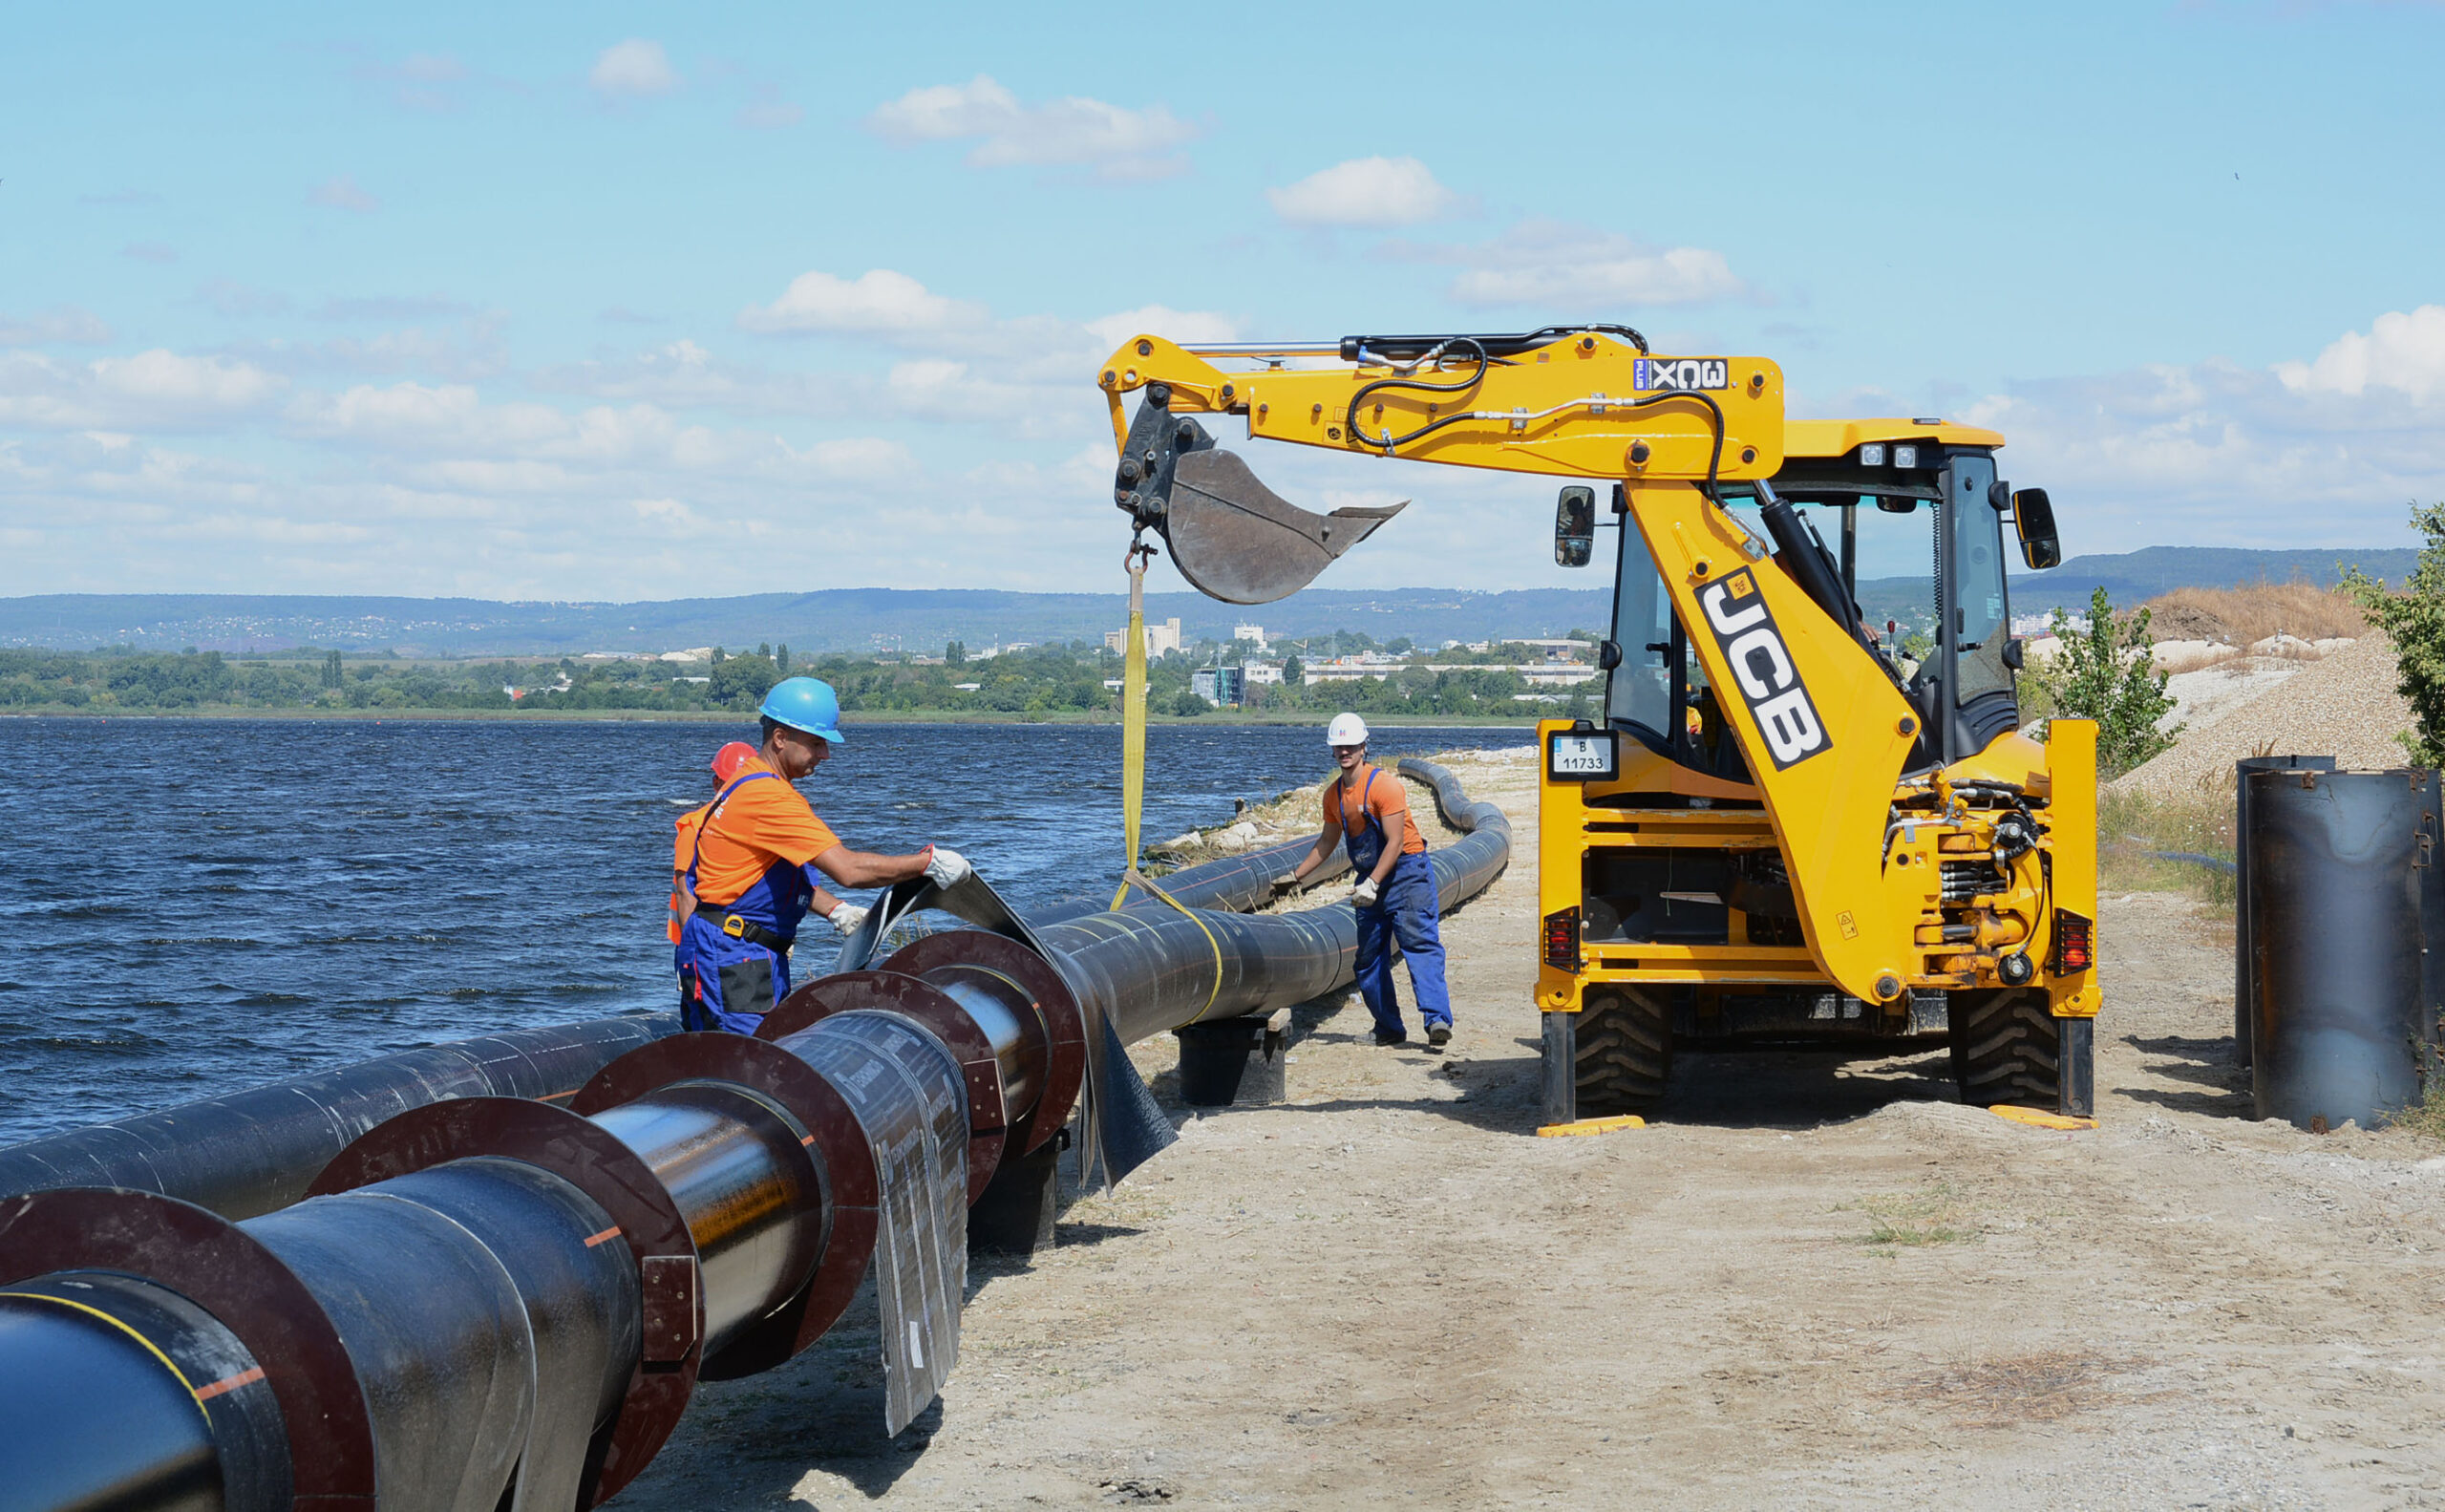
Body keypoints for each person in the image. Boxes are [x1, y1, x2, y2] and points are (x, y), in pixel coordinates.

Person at [675, 677, 968, 1033]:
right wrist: (928, 863)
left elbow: (769, 881)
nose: (825, 754)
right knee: (750, 1059)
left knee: (731, 1052)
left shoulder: (745, 782)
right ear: (780, 738)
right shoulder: (769, 798)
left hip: (735, 949)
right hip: (736, 957)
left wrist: (837, 911)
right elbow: (849, 870)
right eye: (816, 743)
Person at [1274, 713, 1453, 1047]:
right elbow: (1327, 841)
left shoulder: (1384, 786)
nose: (1344, 752)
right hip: (1371, 878)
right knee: (1368, 959)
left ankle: (1437, 1020)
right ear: (1332, 749)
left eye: (1351, 746)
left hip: (1407, 874)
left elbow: (1395, 842)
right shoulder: (1334, 796)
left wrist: (1372, 883)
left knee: (1419, 945)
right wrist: (1296, 877)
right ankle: (1389, 1028)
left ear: (1363, 747)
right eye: (1339, 746)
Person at [667, 741, 859, 946]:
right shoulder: (696, 827)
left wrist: (839, 911)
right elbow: (685, 895)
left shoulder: (763, 821)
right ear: (717, 784)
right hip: (710, 943)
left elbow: (788, 885)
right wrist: (692, 950)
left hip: (753, 943)